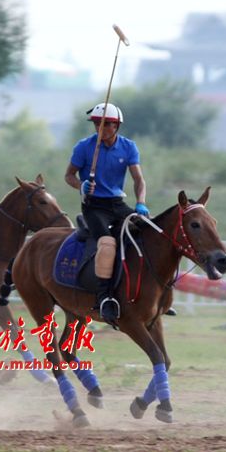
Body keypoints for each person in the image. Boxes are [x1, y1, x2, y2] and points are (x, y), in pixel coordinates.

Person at [64, 103, 149, 325]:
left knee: (147, 233)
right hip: (94, 206)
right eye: (96, 124)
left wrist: (140, 203)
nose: (100, 128)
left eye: (106, 124)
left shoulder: (129, 147)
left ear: (116, 125)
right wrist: (81, 186)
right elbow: (69, 176)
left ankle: (149, 291)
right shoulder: (84, 147)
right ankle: (105, 298)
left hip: (117, 204)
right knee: (108, 244)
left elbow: (139, 180)